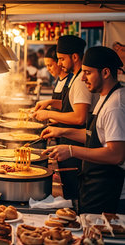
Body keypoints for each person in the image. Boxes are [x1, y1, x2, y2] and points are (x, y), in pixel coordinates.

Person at [42, 46, 125, 214]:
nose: (82, 79)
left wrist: (72, 150)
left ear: (106, 73)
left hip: (111, 193)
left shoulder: (115, 106)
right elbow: (96, 137)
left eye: (87, 73)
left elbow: (116, 154)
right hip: (96, 185)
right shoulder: (105, 97)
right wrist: (62, 132)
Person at [33, 35, 95, 201]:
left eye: (61, 59)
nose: (58, 63)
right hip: (69, 143)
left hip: (76, 146)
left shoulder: (80, 80)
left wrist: (49, 114)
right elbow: (72, 105)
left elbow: (79, 117)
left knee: (74, 195)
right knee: (70, 193)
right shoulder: (76, 77)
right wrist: (52, 102)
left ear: (75, 57)